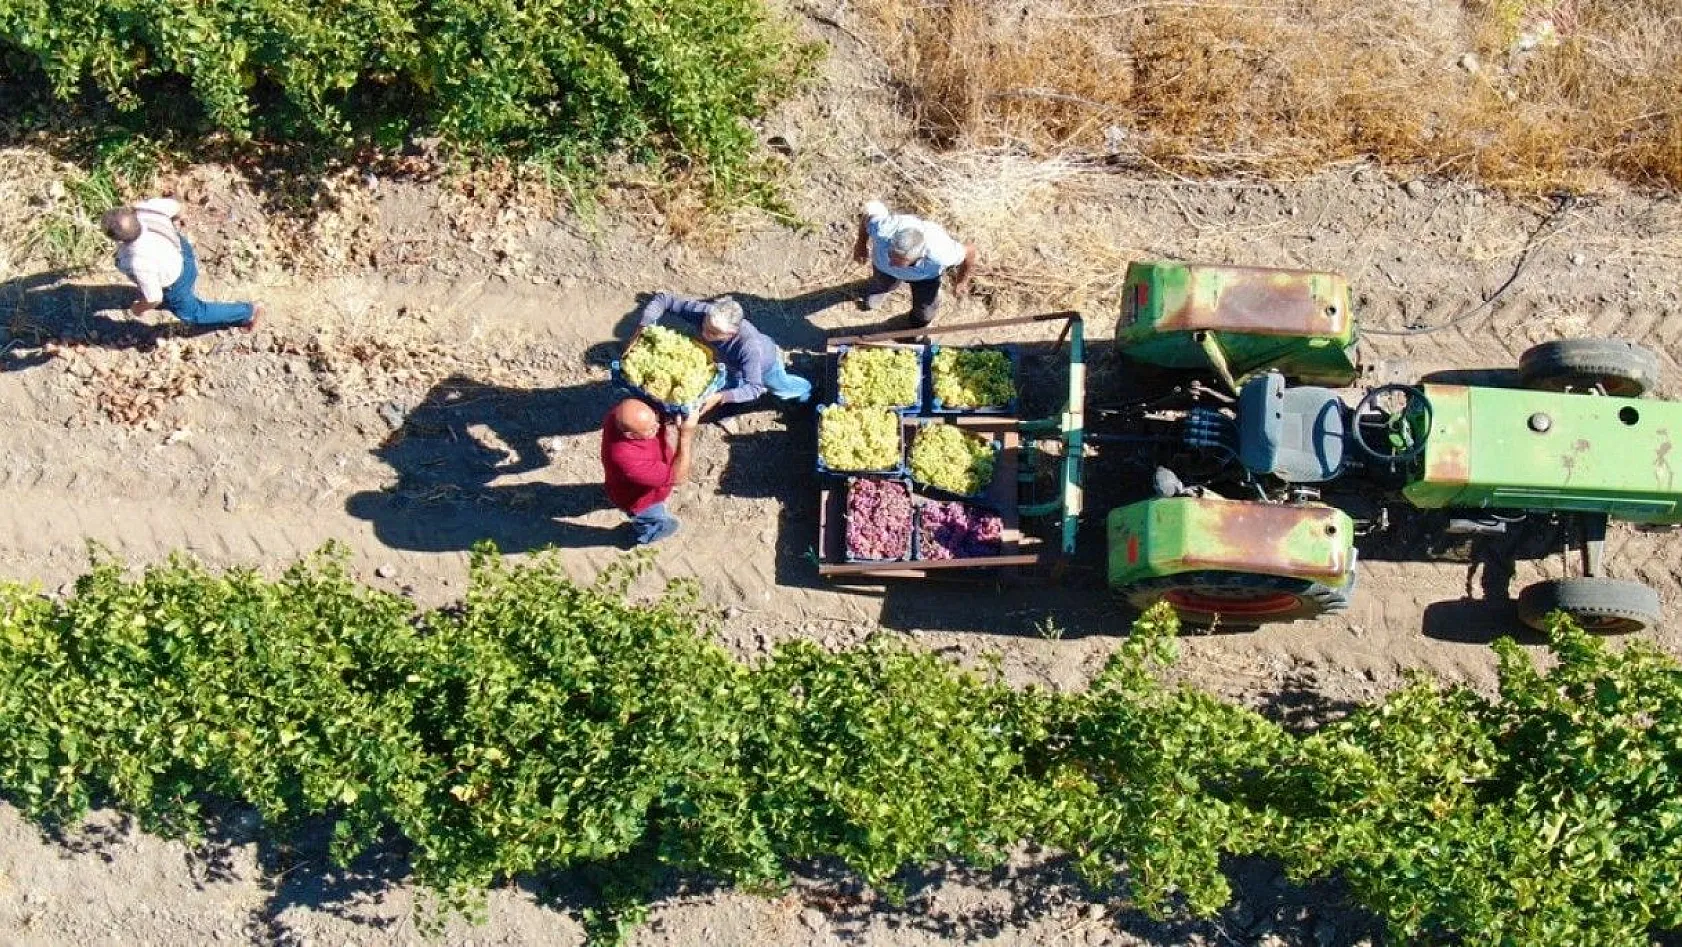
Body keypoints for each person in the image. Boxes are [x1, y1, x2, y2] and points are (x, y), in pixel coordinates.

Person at [638, 291, 811, 431]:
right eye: (705, 326)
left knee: (781, 387)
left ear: (731, 334)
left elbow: (755, 388)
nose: (705, 333)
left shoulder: (749, 347)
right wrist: (644, 325)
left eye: (714, 333)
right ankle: (728, 408)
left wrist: (721, 396)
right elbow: (664, 299)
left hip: (765, 366)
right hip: (727, 363)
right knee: (729, 383)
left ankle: (806, 390)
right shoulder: (704, 312)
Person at [101, 198, 264, 331]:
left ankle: (249, 311)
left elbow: (154, 298)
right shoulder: (146, 209)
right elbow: (178, 207)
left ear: (119, 240)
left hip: (176, 282)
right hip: (182, 250)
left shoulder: (138, 261)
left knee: (194, 314)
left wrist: (138, 309)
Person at [851, 199, 975, 327]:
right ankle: (878, 294)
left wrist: (961, 281)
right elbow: (868, 216)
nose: (892, 263)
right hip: (883, 270)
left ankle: (914, 326)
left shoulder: (940, 253)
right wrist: (860, 244)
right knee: (881, 285)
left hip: (926, 278)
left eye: (899, 261)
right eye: (891, 254)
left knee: (925, 313)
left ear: (919, 257)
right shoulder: (883, 230)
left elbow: (970, 251)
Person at [600, 397, 700, 545]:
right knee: (652, 517)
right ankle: (646, 534)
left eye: (657, 420)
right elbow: (678, 478)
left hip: (629, 483)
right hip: (641, 501)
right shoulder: (627, 460)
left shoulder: (620, 417)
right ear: (631, 435)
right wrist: (685, 435)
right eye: (651, 429)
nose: (659, 426)